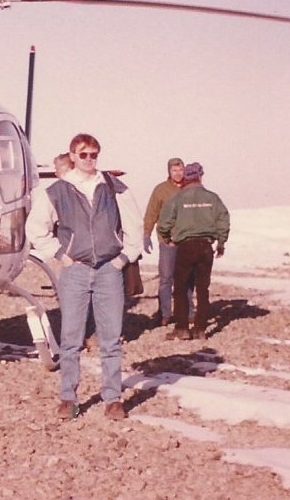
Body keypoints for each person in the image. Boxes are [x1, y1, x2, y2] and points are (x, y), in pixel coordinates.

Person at [26, 133, 143, 420]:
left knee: (111, 338)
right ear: (73, 156)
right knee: (71, 338)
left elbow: (134, 227)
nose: (89, 160)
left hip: (108, 271)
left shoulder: (115, 187)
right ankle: (69, 398)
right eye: (83, 154)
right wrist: (61, 256)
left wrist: (122, 259)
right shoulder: (56, 191)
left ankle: (113, 399)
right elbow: (36, 229)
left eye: (93, 154)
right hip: (75, 272)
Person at [157, 162, 230, 340]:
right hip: (206, 247)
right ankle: (200, 329)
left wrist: (167, 238)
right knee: (202, 289)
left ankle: (182, 328)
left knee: (180, 288)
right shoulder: (213, 198)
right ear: (201, 177)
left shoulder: (177, 199)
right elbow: (223, 220)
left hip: (185, 247)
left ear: (185, 179)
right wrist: (221, 243)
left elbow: (163, 223)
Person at [143, 157, 188, 326]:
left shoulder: (189, 189)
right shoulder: (161, 190)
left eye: (181, 170)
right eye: (174, 170)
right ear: (169, 171)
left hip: (186, 241)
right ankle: (165, 314)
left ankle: (187, 313)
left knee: (185, 279)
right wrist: (146, 234)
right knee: (166, 278)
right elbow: (151, 213)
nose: (178, 174)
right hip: (167, 241)